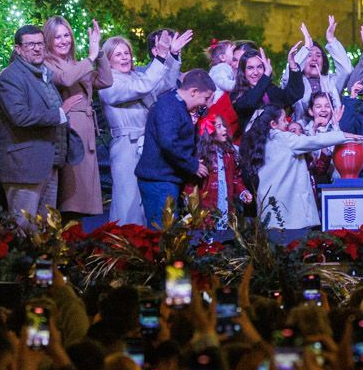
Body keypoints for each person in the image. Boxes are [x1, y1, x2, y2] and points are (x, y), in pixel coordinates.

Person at [98, 29, 192, 226]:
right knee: (128, 200)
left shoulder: (136, 76)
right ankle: (123, 245)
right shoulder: (108, 82)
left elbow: (163, 85)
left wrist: (172, 56)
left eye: (127, 53)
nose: (125, 58)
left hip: (146, 146)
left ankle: (144, 247)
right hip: (127, 147)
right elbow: (145, 86)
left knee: (145, 200)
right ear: (108, 60)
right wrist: (159, 57)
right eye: (118, 54)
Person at [0, 24, 70, 223]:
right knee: (24, 228)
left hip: (48, 162)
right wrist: (59, 114)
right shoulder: (12, 76)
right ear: (18, 49)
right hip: (24, 166)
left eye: (40, 44)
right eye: (30, 44)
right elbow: (20, 116)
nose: (37, 48)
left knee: (46, 230)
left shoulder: (43, 74)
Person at [41, 16, 108, 221]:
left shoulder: (78, 63)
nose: (63, 40)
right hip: (69, 132)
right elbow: (66, 78)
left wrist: (100, 52)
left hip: (86, 131)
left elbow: (106, 80)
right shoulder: (47, 64)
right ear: (48, 41)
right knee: (71, 194)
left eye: (66, 35)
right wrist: (90, 58)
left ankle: (77, 241)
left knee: (84, 194)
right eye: (57, 37)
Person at [250, 103, 350, 232]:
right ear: (273, 124)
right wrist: (342, 135)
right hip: (290, 217)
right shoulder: (284, 138)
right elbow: (314, 141)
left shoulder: (260, 138)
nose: (287, 123)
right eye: (284, 119)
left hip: (270, 212)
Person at [136, 68, 217, 227]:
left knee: (169, 233)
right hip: (159, 181)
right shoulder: (169, 106)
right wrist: (192, 164)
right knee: (162, 234)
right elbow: (168, 142)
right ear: (193, 91)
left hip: (164, 179)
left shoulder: (177, 104)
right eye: (206, 98)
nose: (206, 104)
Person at [281, 16, 355, 113]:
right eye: (309, 55)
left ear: (324, 61)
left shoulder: (331, 82)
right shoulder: (295, 84)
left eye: (318, 55)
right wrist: (306, 48)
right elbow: (290, 73)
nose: (314, 59)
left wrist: (332, 40)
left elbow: (347, 70)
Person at [193, 105, 250, 226]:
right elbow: (192, 185)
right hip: (207, 207)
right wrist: (191, 205)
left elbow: (235, 178)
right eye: (219, 127)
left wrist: (243, 191)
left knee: (223, 231)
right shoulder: (202, 157)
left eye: (224, 126)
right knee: (208, 233)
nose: (224, 129)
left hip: (225, 202)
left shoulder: (229, 153)